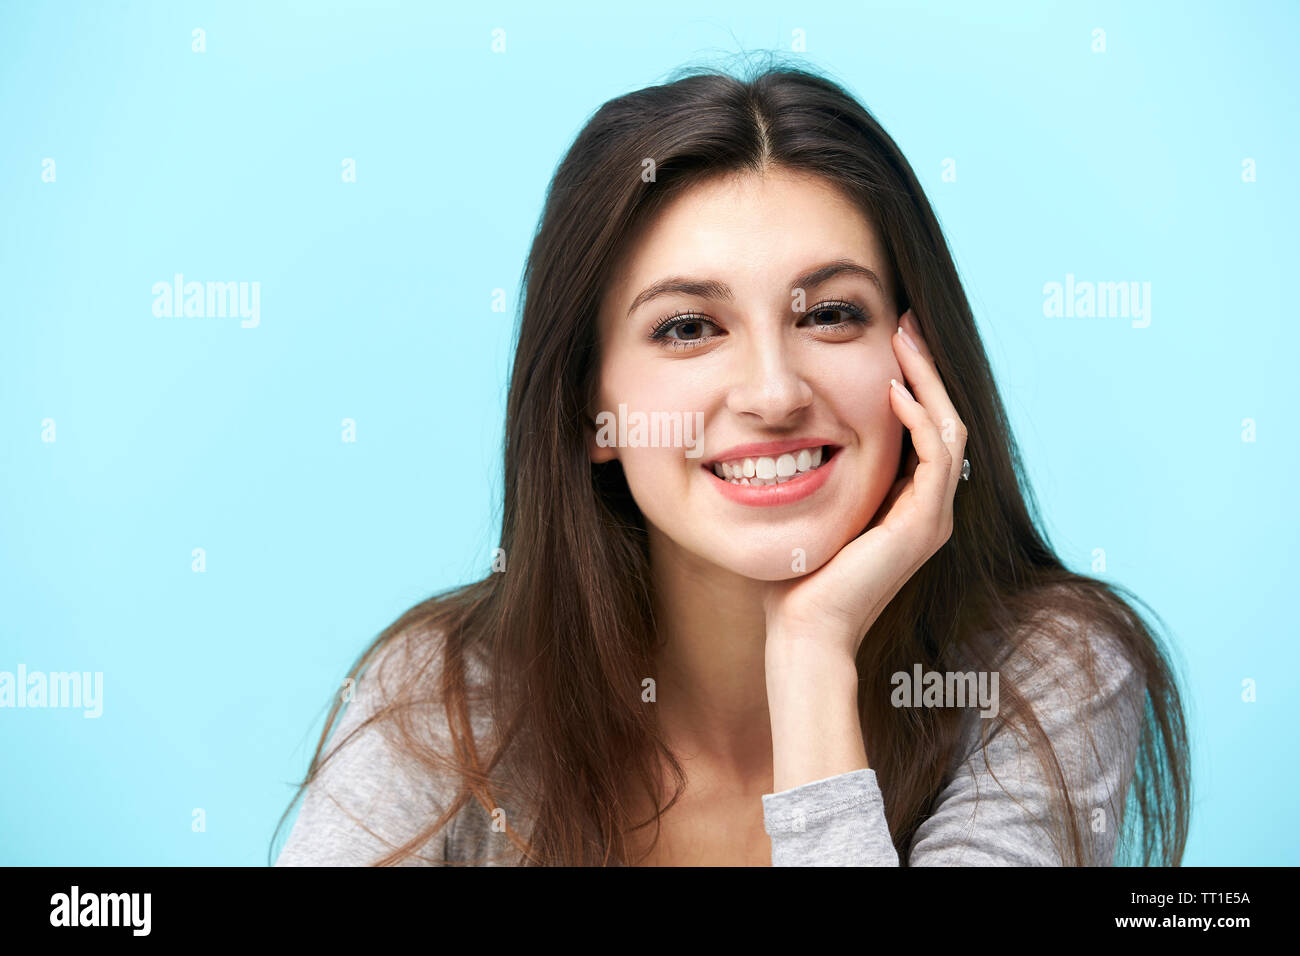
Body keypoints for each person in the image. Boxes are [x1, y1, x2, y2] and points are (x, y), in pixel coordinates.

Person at [273, 60, 1189, 867]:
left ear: (921, 358)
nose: (773, 392)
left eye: (830, 313)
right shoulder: (447, 699)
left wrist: (811, 656)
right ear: (592, 412)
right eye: (687, 328)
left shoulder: (1038, 673)